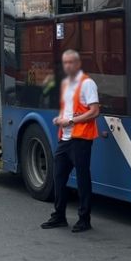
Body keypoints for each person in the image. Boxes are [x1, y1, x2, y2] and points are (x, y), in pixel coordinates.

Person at [41, 50, 100, 233]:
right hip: (64, 139)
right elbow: (68, 110)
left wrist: (71, 121)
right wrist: (60, 119)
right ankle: (59, 216)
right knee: (58, 177)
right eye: (65, 62)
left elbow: (94, 111)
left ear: (78, 63)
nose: (67, 66)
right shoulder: (66, 83)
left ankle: (84, 219)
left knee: (83, 180)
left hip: (81, 139)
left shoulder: (87, 83)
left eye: (71, 62)